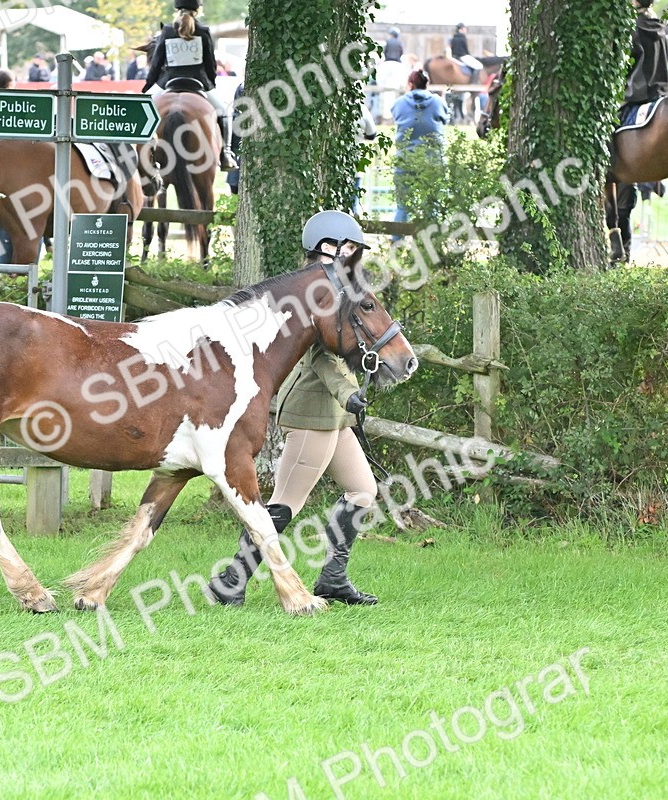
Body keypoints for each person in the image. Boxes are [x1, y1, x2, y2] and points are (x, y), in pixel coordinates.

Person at [209, 211, 383, 607]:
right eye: (349, 249)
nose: (353, 257)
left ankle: (333, 579)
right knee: (285, 503)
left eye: (356, 249)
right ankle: (231, 580)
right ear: (327, 248)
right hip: (312, 413)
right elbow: (321, 360)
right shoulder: (313, 294)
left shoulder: (340, 290)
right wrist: (346, 393)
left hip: (335, 417)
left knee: (362, 491)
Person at [143, 0, 237, 170]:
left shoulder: (167, 30)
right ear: (198, 10)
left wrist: (148, 86)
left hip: (168, 83)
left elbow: (156, 64)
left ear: (177, 10)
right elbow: (210, 64)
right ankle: (226, 154)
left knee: (140, 109)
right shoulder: (203, 31)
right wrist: (211, 83)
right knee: (225, 112)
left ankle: (139, 154)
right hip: (198, 83)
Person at [390, 70, 449, 226]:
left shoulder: (399, 102)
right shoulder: (438, 102)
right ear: (427, 84)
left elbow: (395, 115)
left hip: (405, 159)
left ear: (410, 84)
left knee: (402, 207)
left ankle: (397, 242)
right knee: (432, 206)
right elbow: (446, 119)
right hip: (433, 159)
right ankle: (431, 241)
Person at [622, 0, 668, 114]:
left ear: (636, 3)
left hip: (637, 92)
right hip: (660, 91)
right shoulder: (660, 28)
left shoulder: (634, 28)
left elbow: (626, 63)